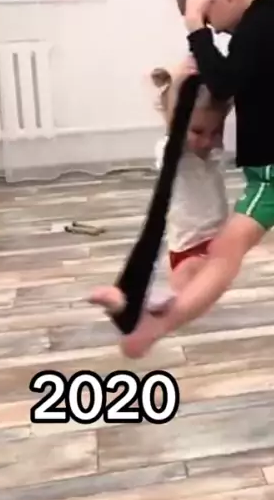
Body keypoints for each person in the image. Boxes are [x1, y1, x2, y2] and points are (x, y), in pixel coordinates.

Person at [116, 0, 274, 358]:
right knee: (223, 249)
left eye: (213, 21)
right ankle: (167, 311)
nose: (218, 31)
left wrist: (195, 32)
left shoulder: (255, 30)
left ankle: (161, 323)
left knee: (226, 252)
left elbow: (224, 81)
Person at [89, 58, 230, 314]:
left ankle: (137, 305)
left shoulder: (211, 151)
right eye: (198, 132)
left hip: (215, 239)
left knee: (195, 297)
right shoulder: (173, 153)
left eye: (215, 132)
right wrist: (177, 83)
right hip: (188, 245)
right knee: (182, 298)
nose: (207, 141)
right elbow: (177, 124)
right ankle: (130, 305)